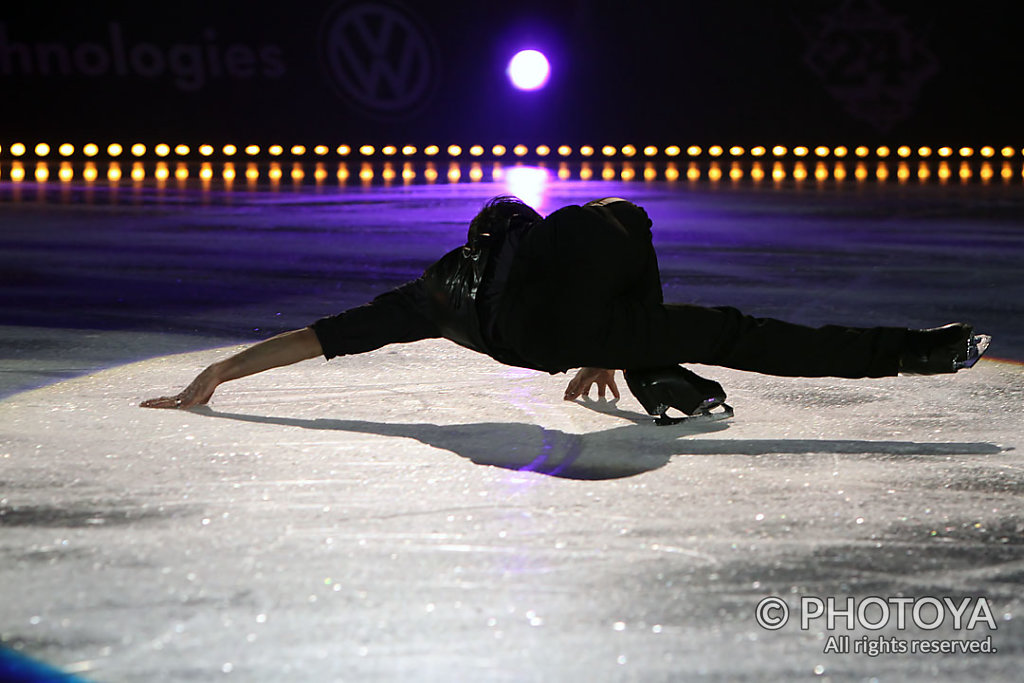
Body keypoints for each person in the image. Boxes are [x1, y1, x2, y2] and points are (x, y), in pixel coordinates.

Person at [141, 196, 990, 422]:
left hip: (557, 329)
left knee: (730, 334)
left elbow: (324, 337)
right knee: (750, 337)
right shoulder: (582, 235)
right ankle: (924, 351)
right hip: (593, 322)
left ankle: (658, 367)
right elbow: (635, 225)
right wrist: (628, 344)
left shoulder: (436, 288)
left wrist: (219, 369)